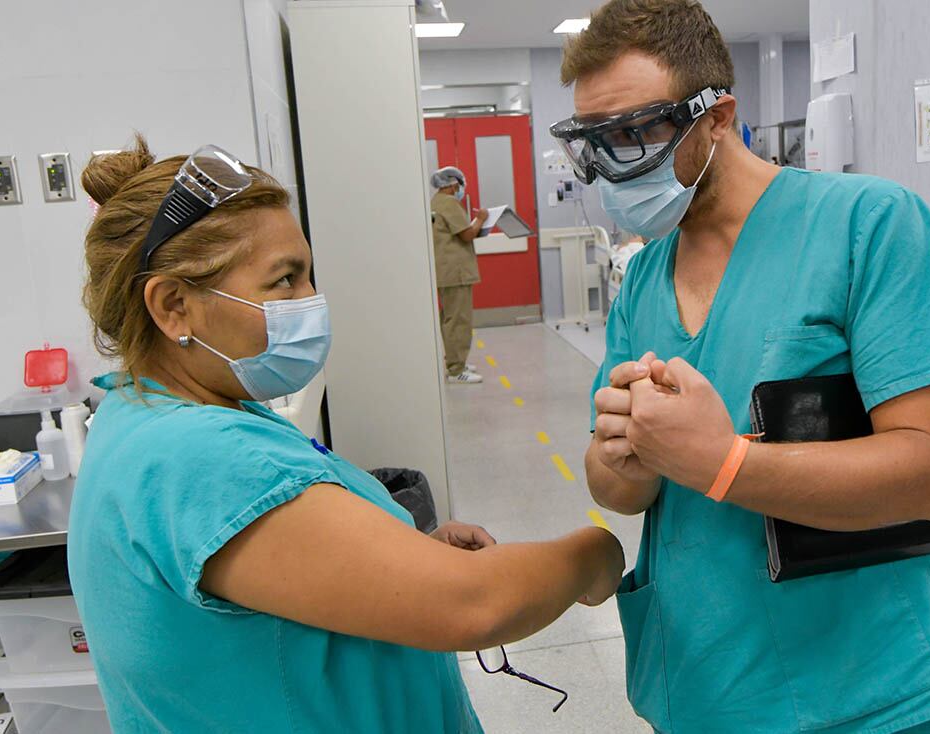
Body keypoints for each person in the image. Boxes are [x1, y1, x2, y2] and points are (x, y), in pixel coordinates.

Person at [68, 136, 624, 733]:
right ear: (174, 305)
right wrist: (593, 554)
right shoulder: (199, 458)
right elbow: (474, 603)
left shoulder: (147, 415)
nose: (310, 301)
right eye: (283, 281)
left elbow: (275, 582)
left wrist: (398, 557)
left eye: (308, 276)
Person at [552, 1, 930, 732]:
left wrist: (722, 463)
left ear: (717, 116)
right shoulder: (644, 280)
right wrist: (624, 458)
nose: (612, 166)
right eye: (595, 144)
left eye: (634, 133)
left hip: (862, 698)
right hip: (701, 690)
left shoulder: (870, 226)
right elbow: (617, 490)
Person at [430, 166, 488, 384]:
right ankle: (457, 370)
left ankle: (454, 361)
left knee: (449, 320)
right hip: (457, 272)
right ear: (454, 185)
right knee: (459, 321)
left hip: (446, 271)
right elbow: (467, 234)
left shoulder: (435, 202)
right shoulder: (450, 203)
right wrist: (481, 218)